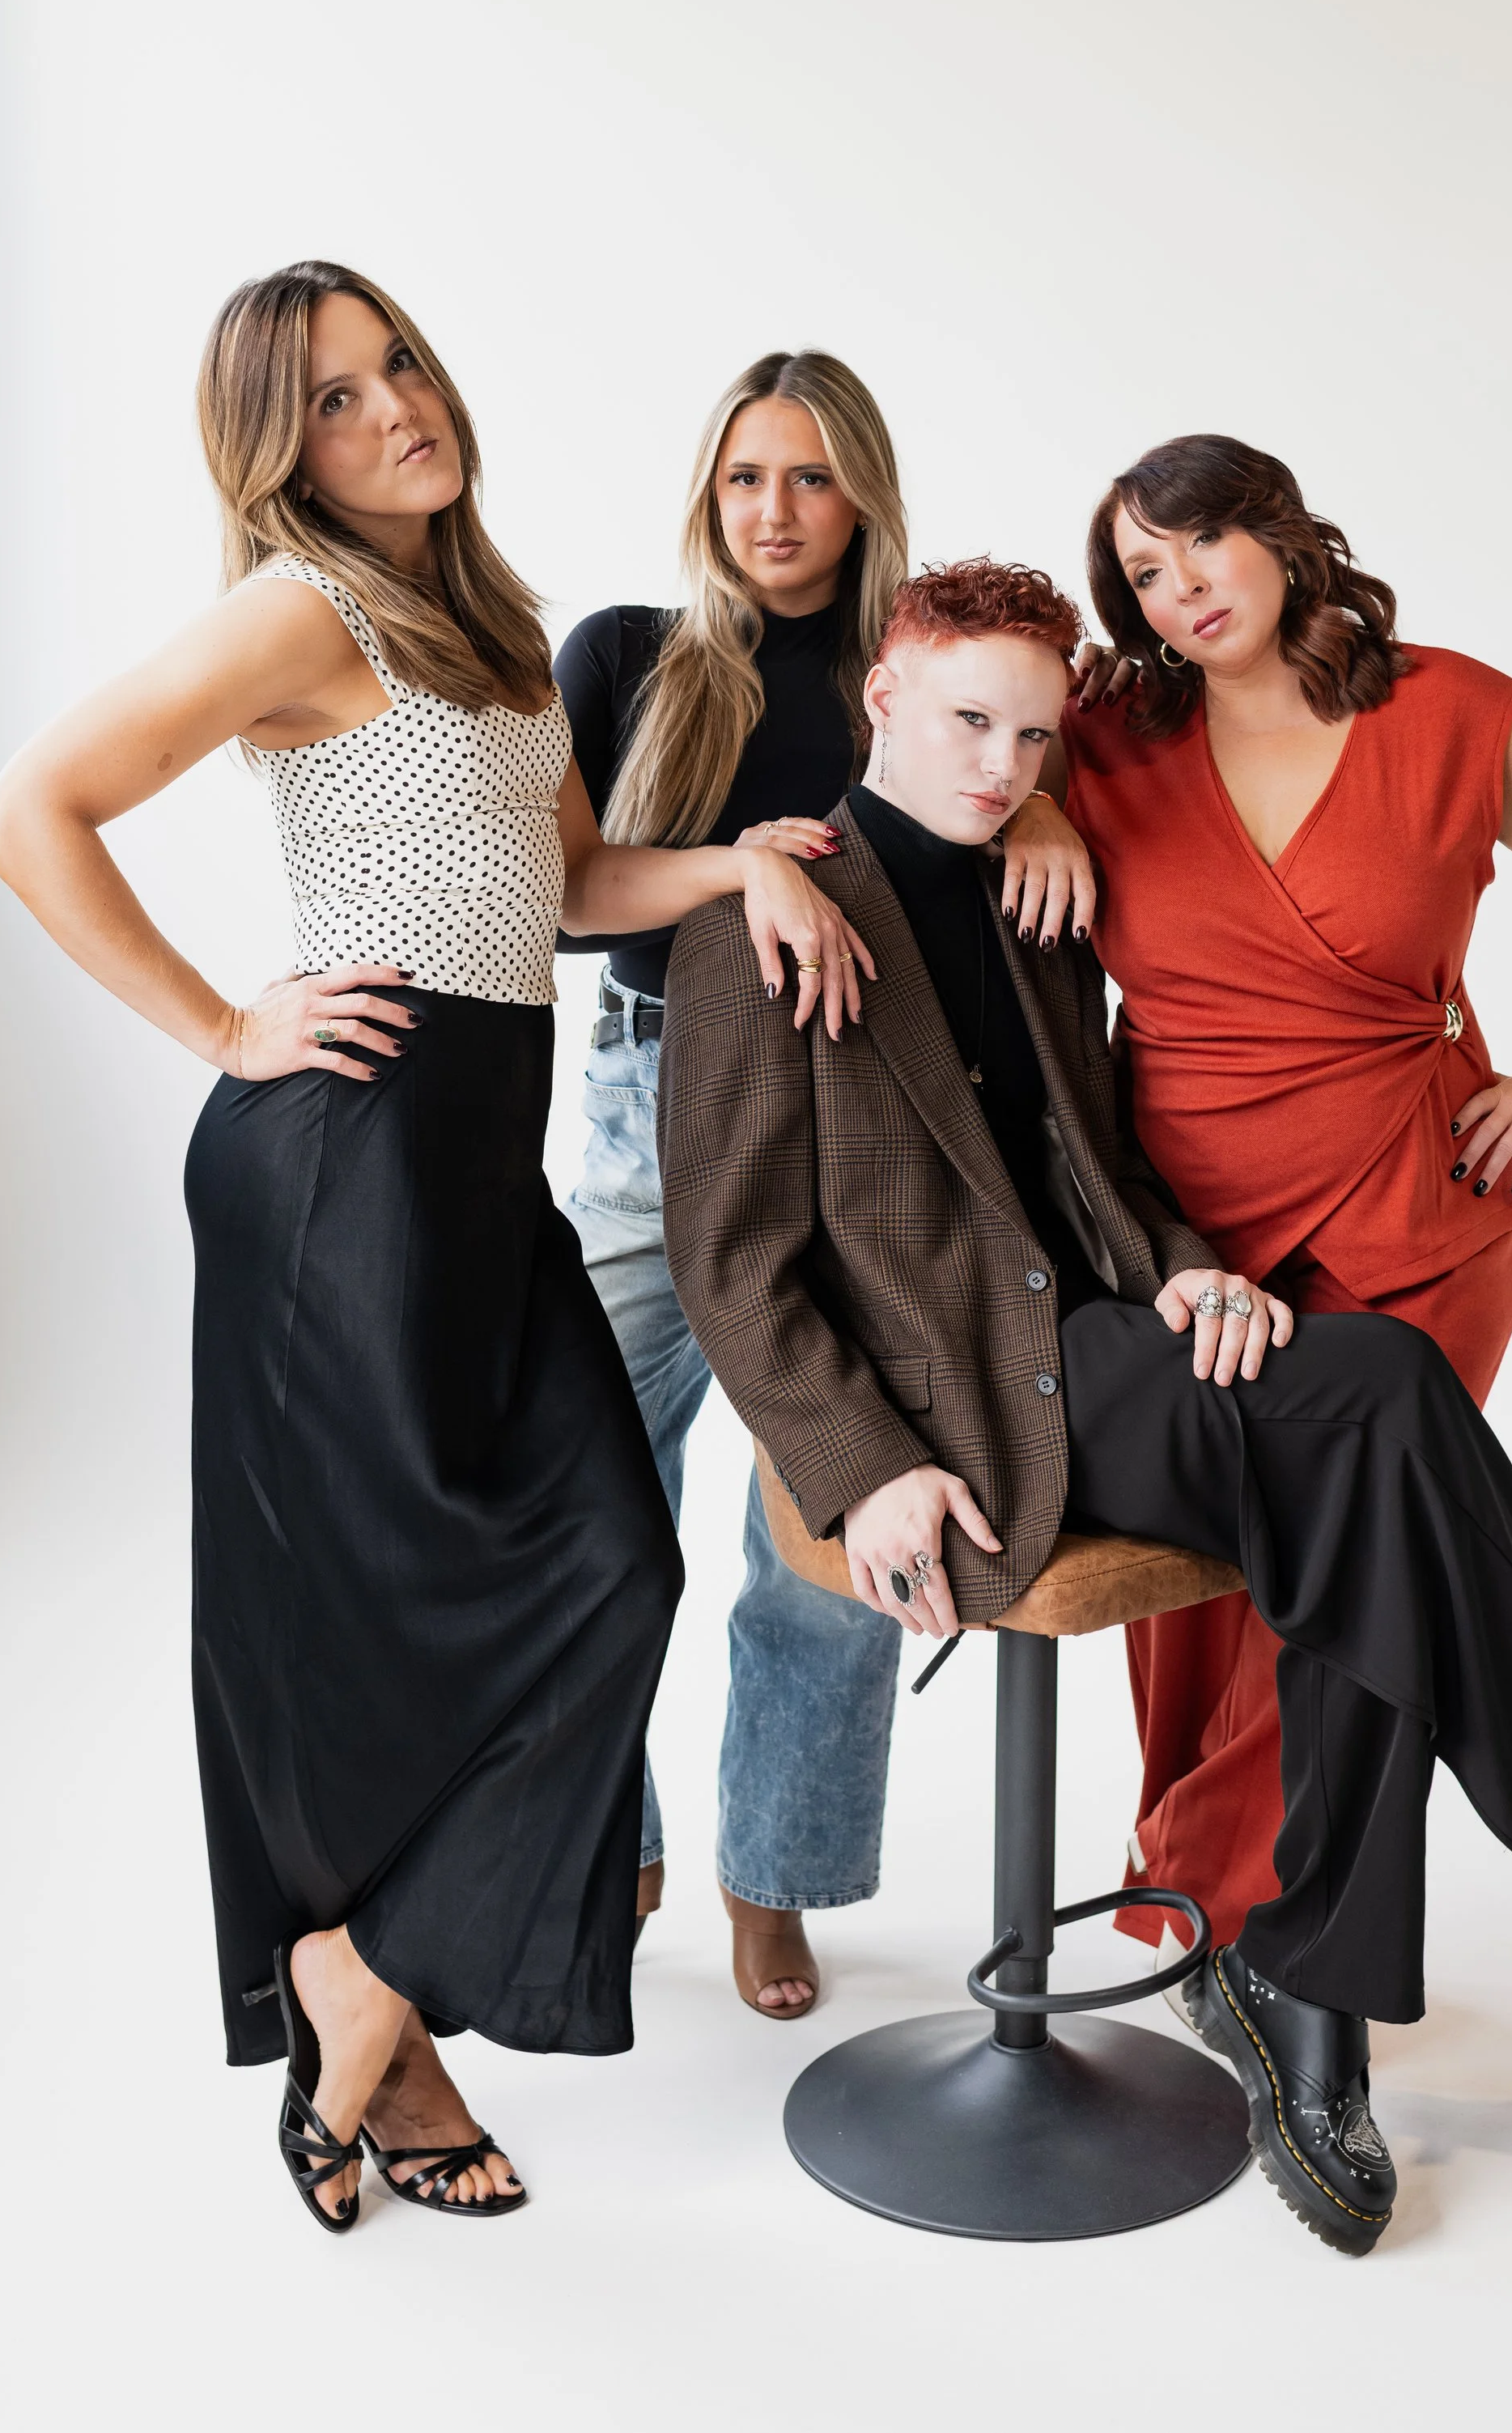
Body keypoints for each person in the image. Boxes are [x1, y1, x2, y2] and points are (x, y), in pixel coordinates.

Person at [656, 558, 1512, 2257]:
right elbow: (733, 1258)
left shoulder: (1033, 897)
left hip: (1107, 1344)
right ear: (883, 706)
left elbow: (1100, 1154)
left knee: (1373, 1419)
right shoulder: (757, 919)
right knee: (1370, 1422)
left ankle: (1312, 1993)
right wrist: (865, 1467)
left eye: (1032, 734)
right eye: (967, 721)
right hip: (961, 1418)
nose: (1000, 763)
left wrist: (1187, 1270)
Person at [0, 261, 867, 2234]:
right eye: (339, 398)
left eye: (401, 367)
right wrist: (220, 1024)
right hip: (338, 1156)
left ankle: (357, 1981)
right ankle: (388, 2029)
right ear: (280, 448)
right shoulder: (299, 604)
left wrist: (741, 861)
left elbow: (563, 887)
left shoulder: (499, 621)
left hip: (478, 1161)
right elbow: (28, 809)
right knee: (369, 1626)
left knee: (599, 1564)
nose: (395, 410)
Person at [1052, 435, 1512, 1956]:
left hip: (1419, 1225)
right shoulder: (1105, 735)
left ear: (1280, 533)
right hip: (1189, 1256)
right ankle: (1218, 1925)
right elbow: (958, 764)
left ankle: (1240, 1942)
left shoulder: (1451, 708)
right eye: (1143, 572)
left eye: (1200, 542)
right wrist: (1027, 810)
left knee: (1333, 1624)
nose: (1180, 587)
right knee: (1196, 1621)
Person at [552, 351, 1097, 2017]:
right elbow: (568, 891)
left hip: (858, 1122)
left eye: (806, 476)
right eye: (741, 478)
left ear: (859, 490)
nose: (771, 511)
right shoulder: (632, 654)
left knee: (842, 1512)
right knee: (578, 1508)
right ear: (704, 494)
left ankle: (771, 1875)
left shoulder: (908, 670)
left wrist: (1055, 811)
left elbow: (982, 772)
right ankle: (604, 1830)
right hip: (657, 1103)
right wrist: (749, 868)